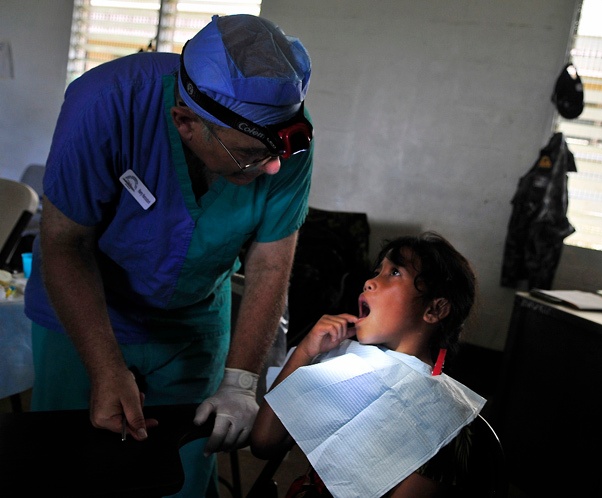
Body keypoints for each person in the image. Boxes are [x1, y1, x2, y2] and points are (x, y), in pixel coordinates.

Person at [24, 14, 313, 498]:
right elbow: (64, 243)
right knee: (70, 471)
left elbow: (269, 263)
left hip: (191, 324)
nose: (273, 166)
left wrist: (241, 382)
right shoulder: (104, 103)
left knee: (177, 477)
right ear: (186, 124)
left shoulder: (283, 136)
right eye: (248, 154)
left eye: (277, 151)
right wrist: (103, 366)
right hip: (84, 316)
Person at [251, 231, 485, 498]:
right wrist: (306, 350)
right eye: (377, 271)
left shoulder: (446, 418)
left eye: (395, 272)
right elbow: (264, 442)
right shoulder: (344, 363)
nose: (370, 282)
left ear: (435, 310)